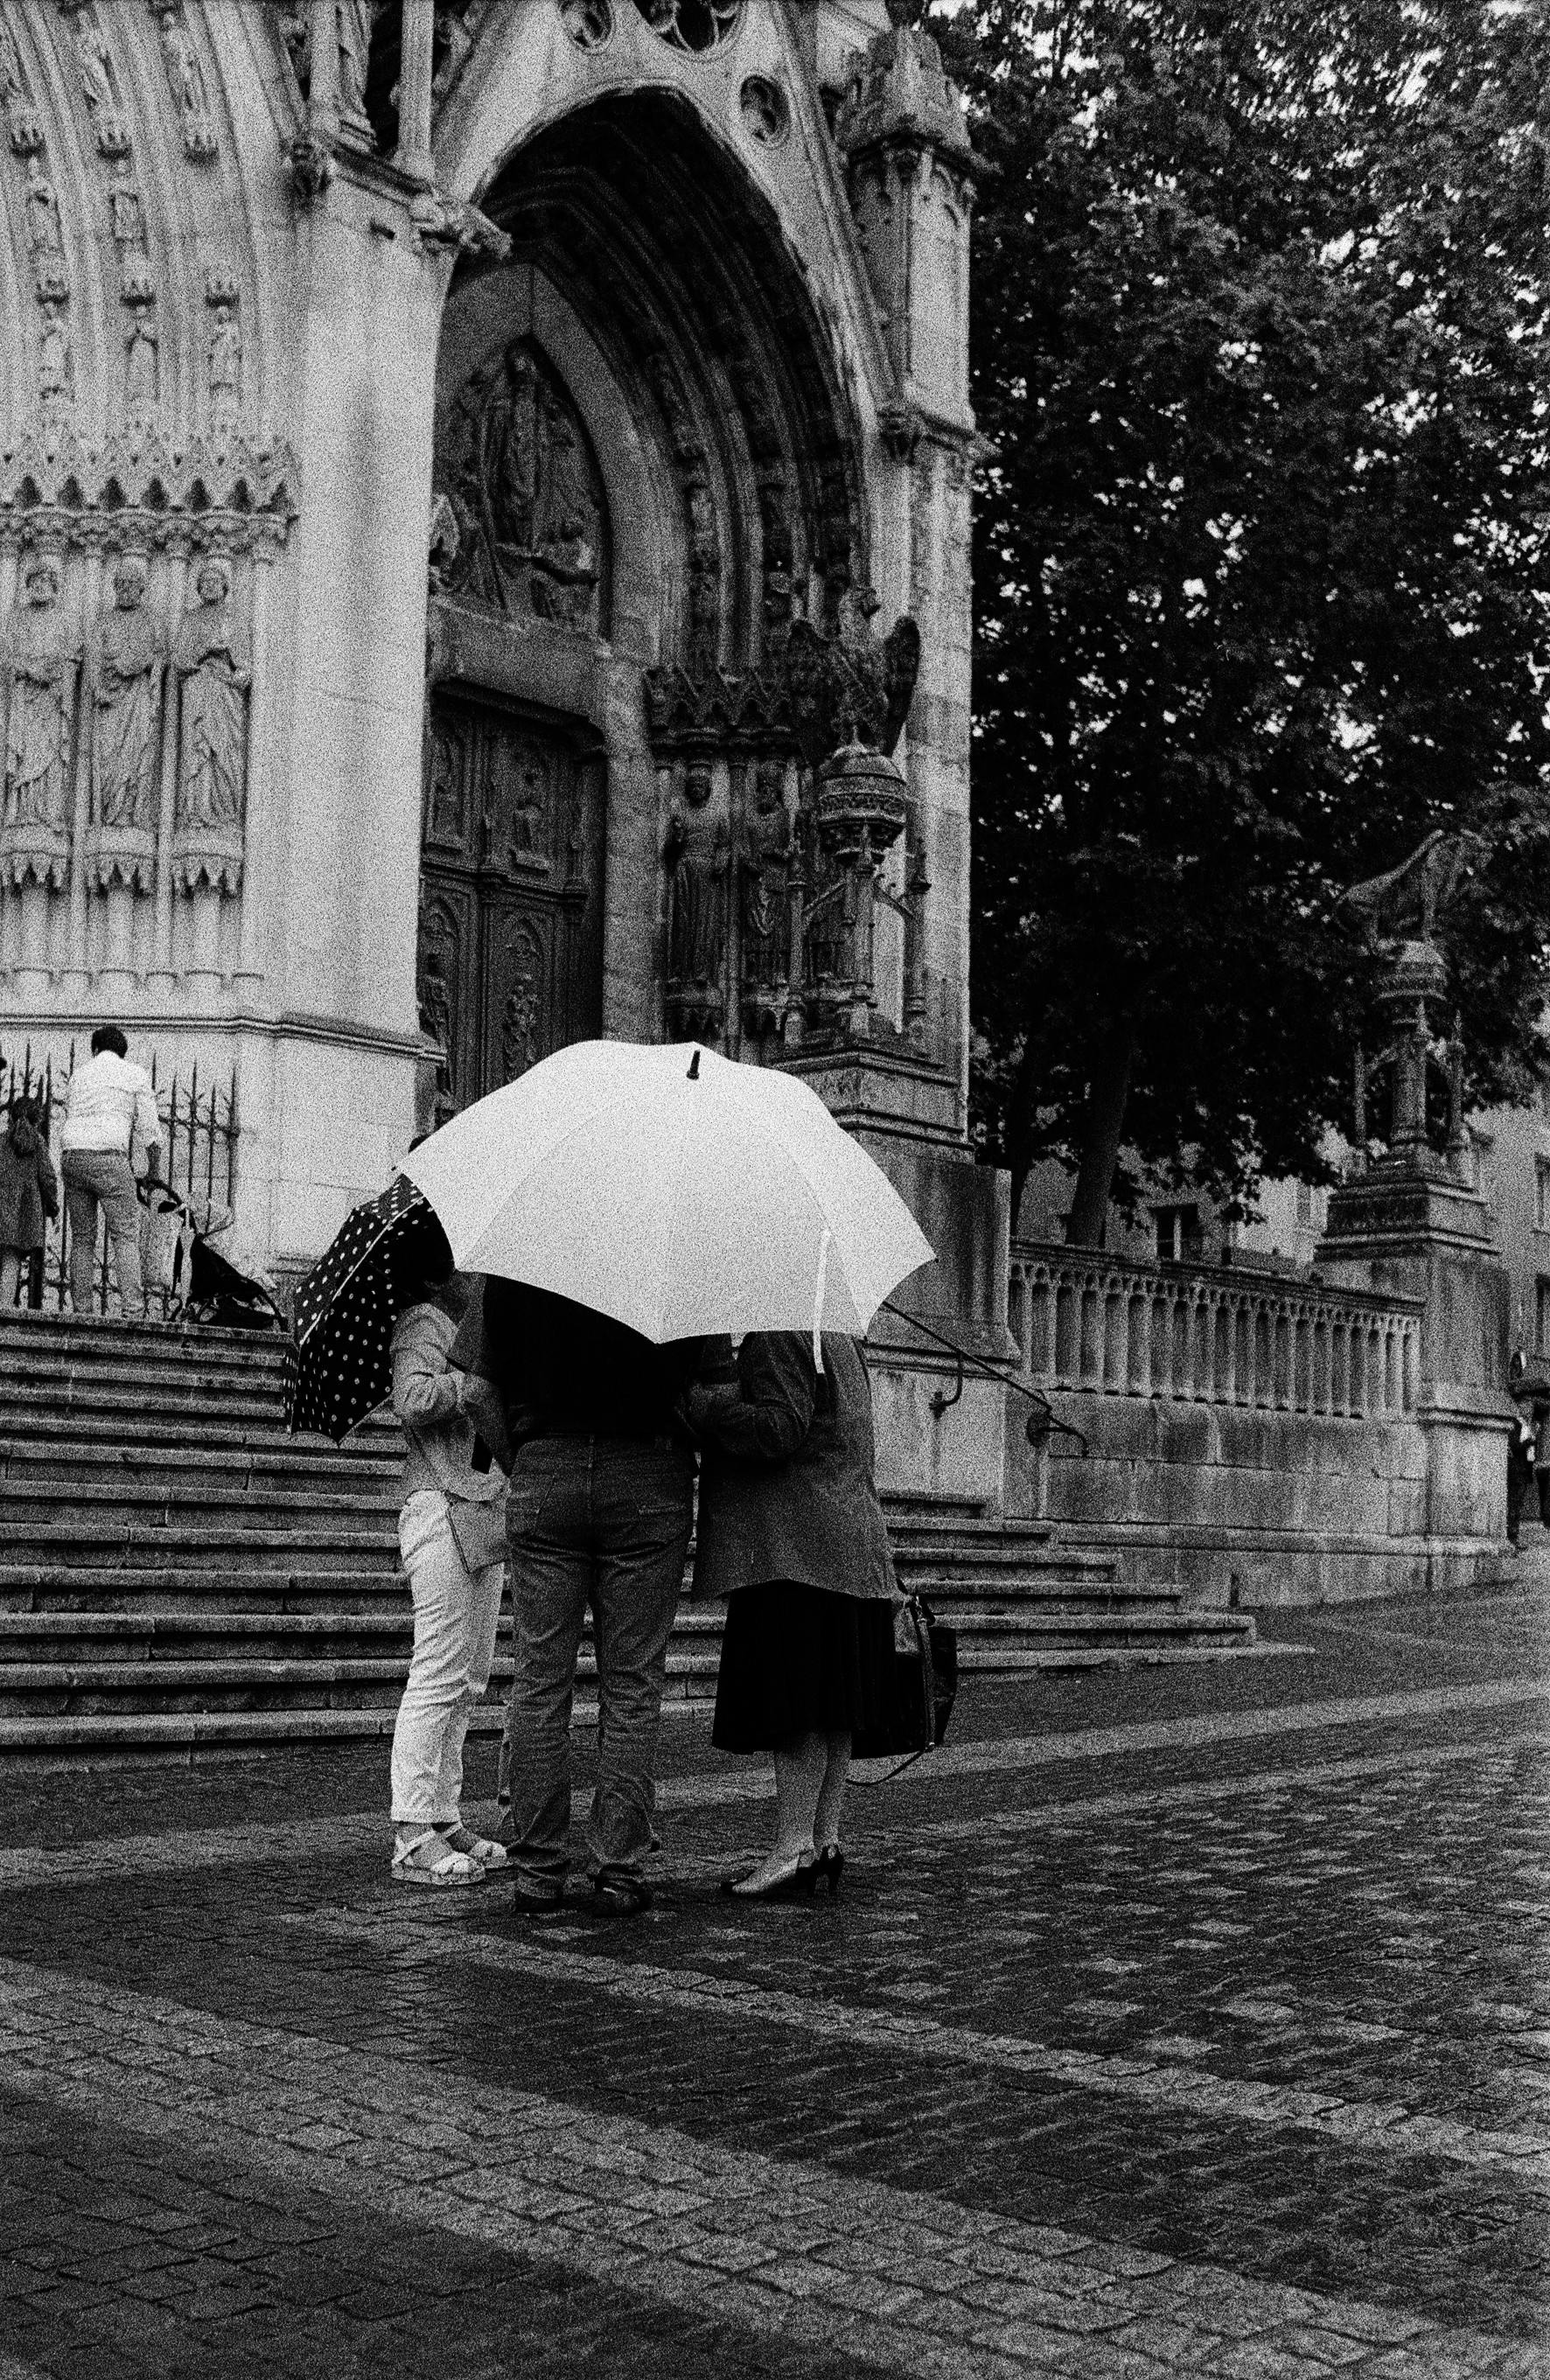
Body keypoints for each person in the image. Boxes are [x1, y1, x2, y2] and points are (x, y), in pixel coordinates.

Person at [457, 1278, 699, 1916]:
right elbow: (712, 1392)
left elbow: (478, 1390)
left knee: (539, 1678)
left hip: (546, 1466)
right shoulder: (677, 1254)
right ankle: (618, 1866)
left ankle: (537, 1868)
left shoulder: (524, 1256)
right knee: (632, 1683)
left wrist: (529, 1458)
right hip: (648, 1471)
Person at [685, 1330, 898, 1901]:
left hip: (793, 1545)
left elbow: (779, 1427)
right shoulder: (838, 1334)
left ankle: (793, 1846)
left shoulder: (780, 1331)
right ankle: (823, 1838)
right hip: (845, 1543)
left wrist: (701, 1402)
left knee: (799, 1707)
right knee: (832, 1708)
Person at [388, 1219, 512, 1888]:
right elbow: (411, 1398)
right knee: (436, 1669)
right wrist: (468, 1386)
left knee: (470, 1675)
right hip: (437, 1507)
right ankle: (411, 1829)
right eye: (466, 1265)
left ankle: (442, 1811)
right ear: (441, 1274)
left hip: (478, 1508)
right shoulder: (423, 1323)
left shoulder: (466, 1328)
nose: (477, 1276)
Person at [57, 1025, 161, 1317]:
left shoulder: (79, 1075)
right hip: (110, 1159)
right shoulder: (134, 1074)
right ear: (123, 1052)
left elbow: (70, 1113)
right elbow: (150, 1130)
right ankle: (132, 1309)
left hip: (73, 1157)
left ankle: (82, 1312)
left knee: (82, 1237)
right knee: (125, 1235)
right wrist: (153, 1172)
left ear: (95, 1050)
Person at [0, 1099, 59, 1313]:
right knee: (11, 1258)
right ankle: (4, 1308)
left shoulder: (1, 1141)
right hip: (23, 1210)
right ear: (38, 1120)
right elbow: (48, 1178)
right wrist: (53, 1208)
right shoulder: (38, 1143)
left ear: (9, 1117)